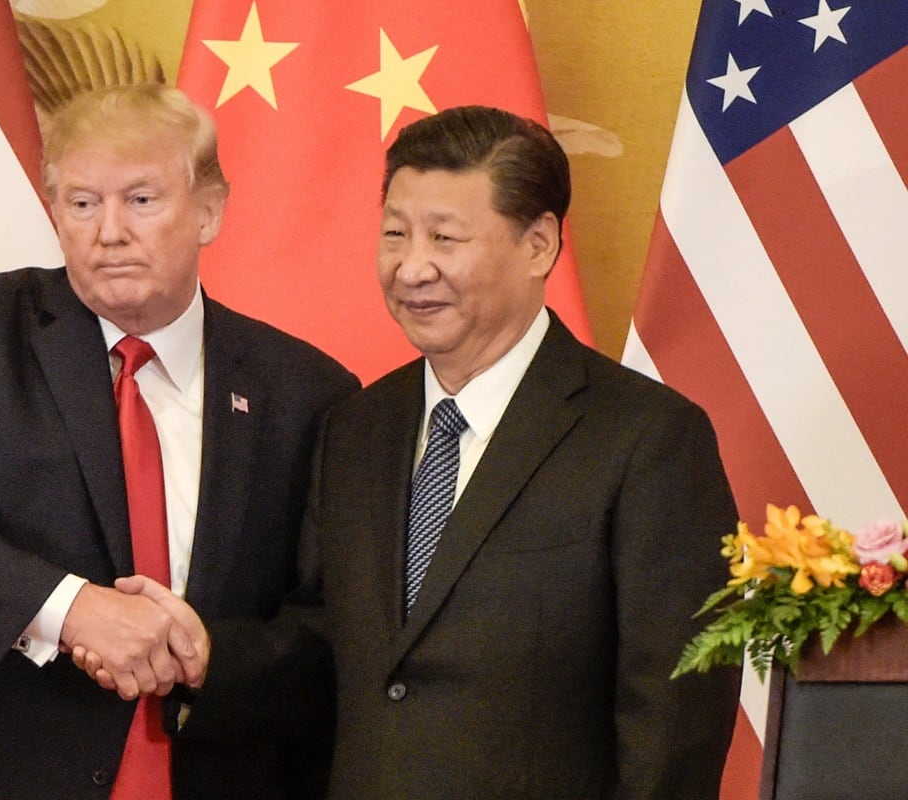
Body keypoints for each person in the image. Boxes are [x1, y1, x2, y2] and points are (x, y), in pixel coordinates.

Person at [88, 105, 742, 798]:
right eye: (395, 233)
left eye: (445, 237)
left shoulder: (647, 437)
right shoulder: (355, 427)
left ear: (539, 245)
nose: (412, 267)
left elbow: (674, 718)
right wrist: (209, 654)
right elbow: (328, 646)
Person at [0, 83, 358, 800]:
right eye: (82, 203)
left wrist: (208, 656)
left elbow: (330, 628)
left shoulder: (306, 391)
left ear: (209, 210)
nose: (109, 231)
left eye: (141, 200)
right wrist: (71, 608)